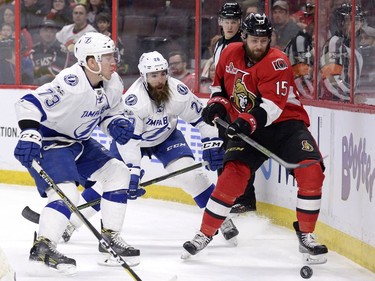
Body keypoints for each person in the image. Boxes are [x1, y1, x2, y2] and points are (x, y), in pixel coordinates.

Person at [182, 13, 328, 264]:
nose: (259, 45)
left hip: (285, 125)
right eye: (254, 39)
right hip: (249, 126)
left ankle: (307, 235)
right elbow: (220, 89)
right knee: (231, 177)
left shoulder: (278, 62)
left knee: (311, 172)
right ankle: (204, 234)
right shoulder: (229, 54)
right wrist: (216, 105)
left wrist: (242, 121)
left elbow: (272, 107)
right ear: (244, 37)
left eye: (264, 39)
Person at [61, 51, 240, 247]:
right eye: (154, 76)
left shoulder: (178, 92)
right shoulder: (134, 101)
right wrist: (133, 172)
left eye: (163, 73)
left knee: (191, 175)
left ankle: (222, 220)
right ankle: (70, 223)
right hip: (132, 141)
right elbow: (130, 142)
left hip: (166, 137)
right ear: (144, 77)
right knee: (111, 182)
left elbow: (202, 119)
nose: (160, 79)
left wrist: (211, 142)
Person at [13, 32, 140, 274]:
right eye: (107, 57)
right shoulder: (71, 83)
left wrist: (114, 124)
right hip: (50, 143)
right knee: (66, 192)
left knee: (118, 173)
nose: (114, 61)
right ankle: (43, 247)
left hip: (79, 142)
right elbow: (27, 102)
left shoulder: (113, 82)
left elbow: (107, 111)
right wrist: (29, 133)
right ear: (91, 62)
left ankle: (111, 237)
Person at [213, 2, 257, 213]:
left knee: (241, 153)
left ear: (240, 23)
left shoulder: (243, 46)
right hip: (225, 107)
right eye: (226, 21)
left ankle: (246, 199)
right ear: (220, 22)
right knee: (228, 152)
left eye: (234, 22)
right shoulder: (219, 44)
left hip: (241, 108)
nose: (230, 26)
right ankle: (230, 195)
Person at [320, 3, 365, 102]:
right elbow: (331, 80)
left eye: (357, 20)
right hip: (331, 104)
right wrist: (351, 97)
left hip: (346, 103)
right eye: (349, 20)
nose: (354, 24)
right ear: (341, 22)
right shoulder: (334, 43)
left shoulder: (356, 48)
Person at [284, 1, 315, 99]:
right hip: (296, 98)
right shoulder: (300, 41)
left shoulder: (314, 39)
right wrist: (313, 95)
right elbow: (300, 78)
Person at [31, 19, 67, 85]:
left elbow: (57, 71)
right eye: (45, 31)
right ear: (40, 32)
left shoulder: (61, 49)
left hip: (56, 86)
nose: (48, 34)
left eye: (51, 31)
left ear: (55, 33)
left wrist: (38, 73)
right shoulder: (34, 50)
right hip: (37, 84)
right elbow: (30, 68)